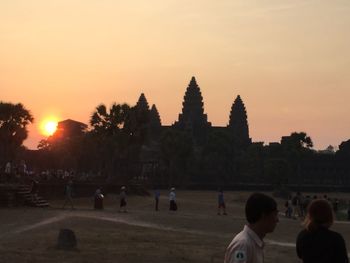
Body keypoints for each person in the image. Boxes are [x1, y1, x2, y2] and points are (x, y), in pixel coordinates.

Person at [224, 193, 279, 263]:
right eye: (275, 214)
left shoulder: (253, 243)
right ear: (264, 215)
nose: (277, 220)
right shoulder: (243, 245)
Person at [296, 199, 349, 263]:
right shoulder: (336, 239)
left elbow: (300, 255)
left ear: (310, 215)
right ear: (329, 216)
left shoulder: (302, 235)